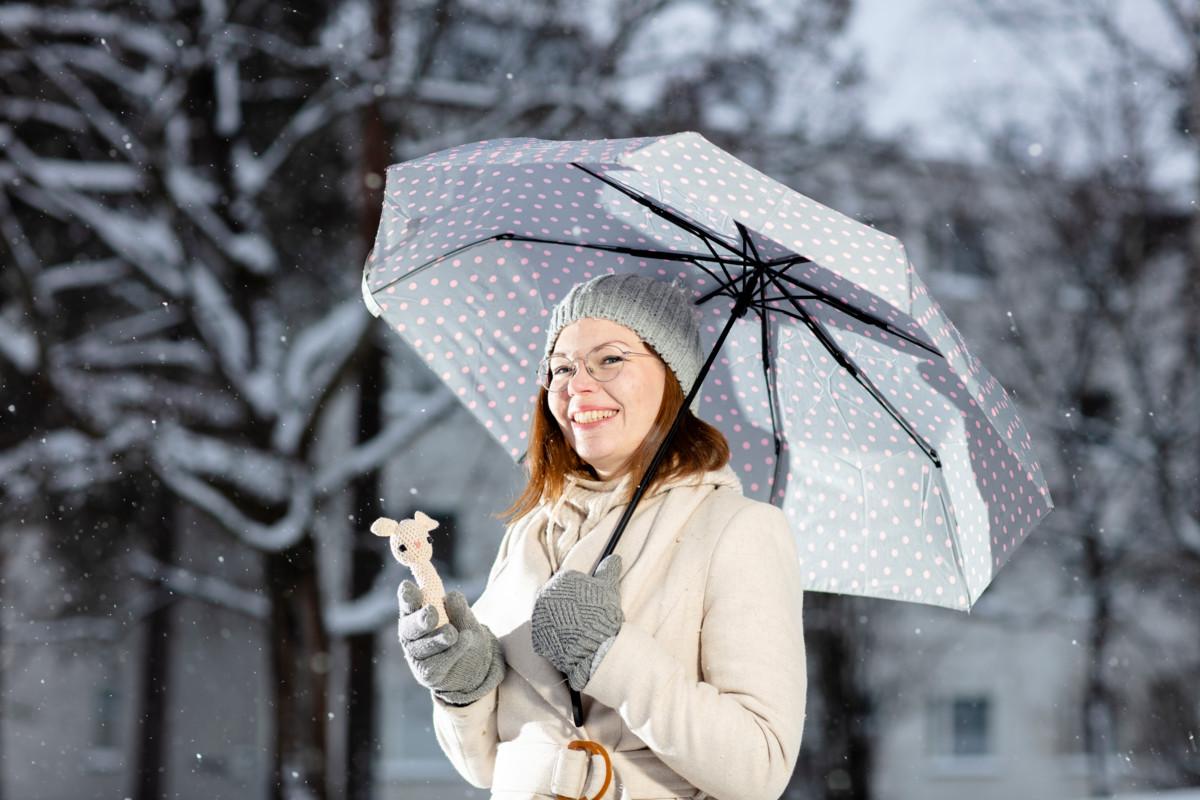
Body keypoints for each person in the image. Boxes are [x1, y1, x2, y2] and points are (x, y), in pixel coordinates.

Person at [395, 273, 807, 800]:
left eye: (610, 359)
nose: (577, 386)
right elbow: (487, 768)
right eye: (561, 367)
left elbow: (759, 769)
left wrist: (612, 655)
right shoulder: (528, 535)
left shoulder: (739, 530)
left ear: (676, 379)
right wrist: (464, 688)